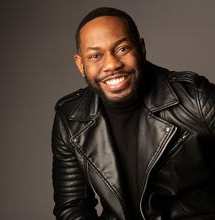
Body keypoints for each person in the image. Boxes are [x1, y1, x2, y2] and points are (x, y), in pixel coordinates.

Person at [51, 7, 215, 220]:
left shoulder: (196, 99)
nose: (111, 64)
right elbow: (72, 208)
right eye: (95, 56)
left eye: (122, 49)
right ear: (81, 65)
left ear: (141, 48)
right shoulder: (70, 119)